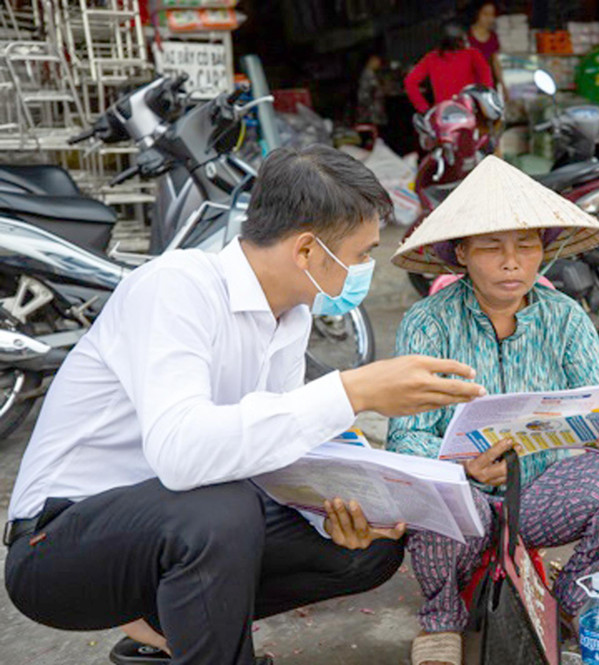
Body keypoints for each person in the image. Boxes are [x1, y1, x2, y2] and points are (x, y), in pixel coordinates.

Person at [3, 145, 486, 665]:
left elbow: (272, 452)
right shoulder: (175, 287)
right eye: (362, 253)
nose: (366, 267)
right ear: (307, 251)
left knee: (372, 542)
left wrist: (353, 501)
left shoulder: (291, 317)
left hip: (172, 524)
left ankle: (172, 630)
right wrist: (353, 391)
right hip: (58, 546)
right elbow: (182, 454)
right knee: (220, 507)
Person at [387, 156, 599, 665]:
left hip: (537, 499)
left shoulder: (565, 317)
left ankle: (574, 604)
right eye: (491, 247)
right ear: (461, 252)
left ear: (544, 252)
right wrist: (461, 467)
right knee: (429, 489)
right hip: (464, 504)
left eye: (527, 245)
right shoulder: (428, 322)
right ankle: (442, 617)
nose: (512, 262)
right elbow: (406, 437)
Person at [404, 22, 493, 115]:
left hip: (444, 116)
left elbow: (410, 82)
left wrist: (425, 110)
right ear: (461, 39)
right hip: (470, 111)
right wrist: (483, 101)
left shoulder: (431, 58)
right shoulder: (472, 54)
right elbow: (486, 78)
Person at [467, 2, 505, 94]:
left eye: (492, 15)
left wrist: (502, 85)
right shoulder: (467, 36)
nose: (489, 19)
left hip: (487, 85)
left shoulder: (493, 37)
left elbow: (495, 62)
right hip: (469, 85)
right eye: (485, 14)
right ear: (477, 14)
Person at [356, 53, 388, 130]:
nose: (379, 64)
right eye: (377, 61)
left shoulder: (372, 74)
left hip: (374, 111)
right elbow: (363, 95)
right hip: (370, 112)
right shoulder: (367, 75)